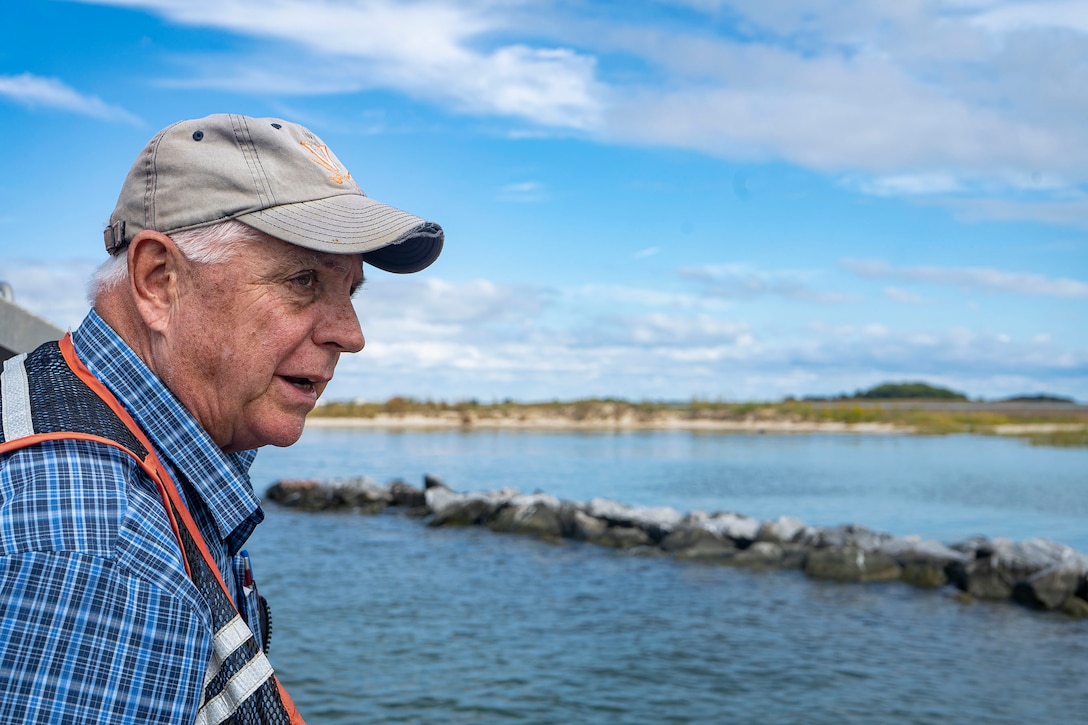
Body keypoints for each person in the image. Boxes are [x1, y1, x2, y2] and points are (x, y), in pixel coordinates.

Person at [0, 114, 443, 723]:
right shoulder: (105, 558)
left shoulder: (58, 393)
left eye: (351, 292)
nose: (351, 334)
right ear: (159, 280)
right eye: (304, 280)